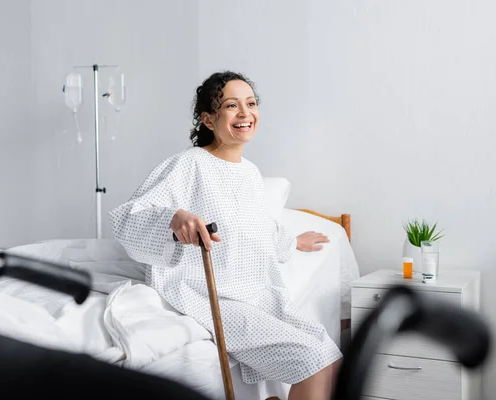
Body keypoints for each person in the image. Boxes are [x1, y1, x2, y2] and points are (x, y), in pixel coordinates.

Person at [109, 71, 342, 400]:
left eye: (251, 103)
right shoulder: (187, 165)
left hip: (256, 295)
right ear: (208, 119)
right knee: (312, 360)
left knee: (333, 358)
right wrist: (173, 219)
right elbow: (127, 220)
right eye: (232, 105)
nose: (245, 113)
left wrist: (293, 242)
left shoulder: (249, 173)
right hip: (208, 294)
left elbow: (257, 227)